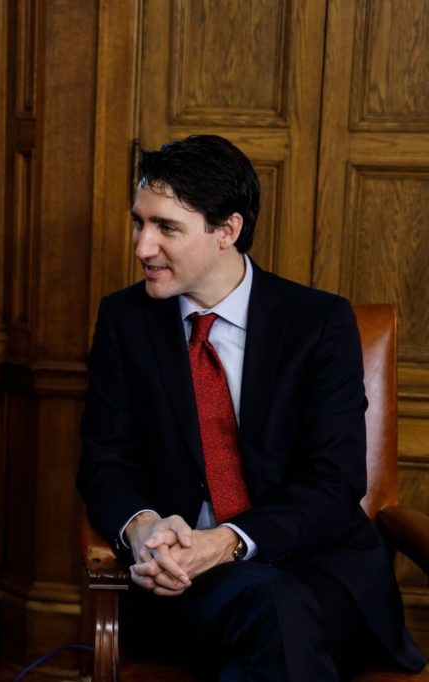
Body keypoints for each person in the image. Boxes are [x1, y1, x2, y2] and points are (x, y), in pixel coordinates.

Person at [77, 135, 425, 680]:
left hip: (319, 567)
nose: (142, 246)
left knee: (281, 617)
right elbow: (105, 463)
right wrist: (142, 528)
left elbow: (334, 482)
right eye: (139, 223)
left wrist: (226, 543)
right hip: (189, 581)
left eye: (166, 227)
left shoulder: (319, 323)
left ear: (228, 230)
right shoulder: (125, 322)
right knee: (276, 617)